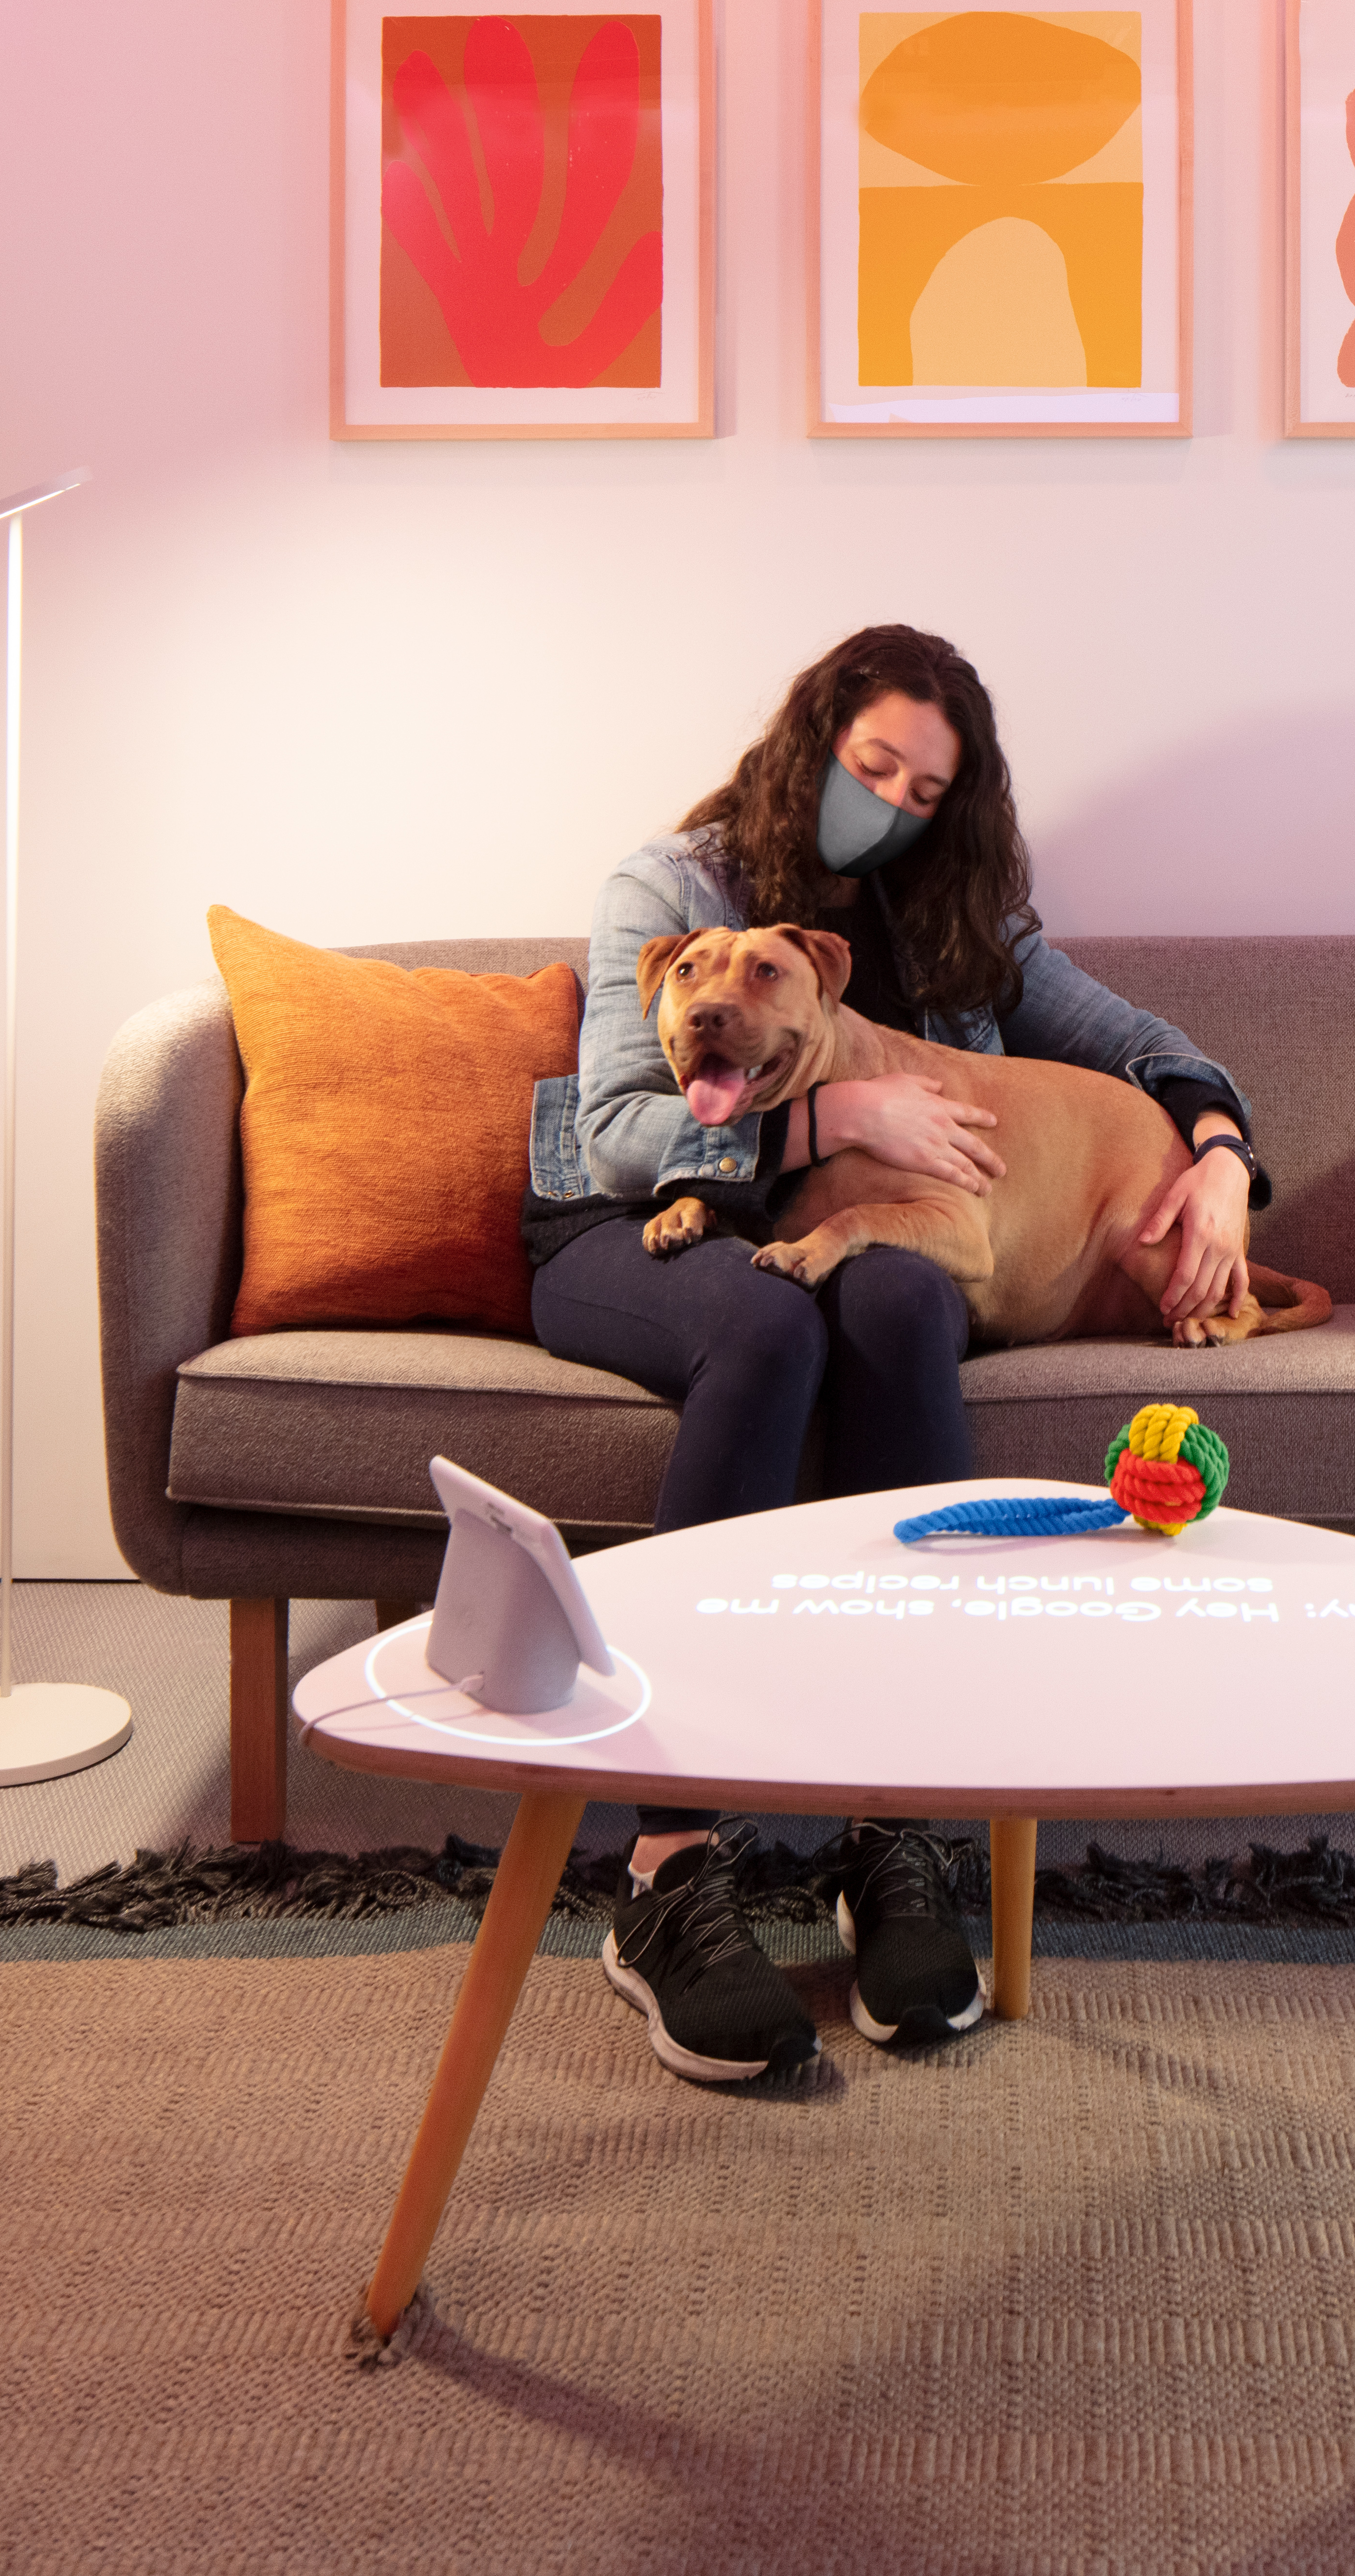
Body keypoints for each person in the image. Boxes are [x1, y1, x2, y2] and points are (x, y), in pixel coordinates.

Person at [524, 623, 1273, 2084]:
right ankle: (667, 1865)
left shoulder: (951, 921)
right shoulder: (673, 893)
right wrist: (834, 1124)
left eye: (929, 792)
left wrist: (1226, 1154)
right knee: (761, 1309)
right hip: (635, 1228)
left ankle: (901, 1831)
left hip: (867, 1235)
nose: (894, 806)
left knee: (909, 1304)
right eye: (874, 767)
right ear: (812, 745)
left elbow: (1145, 1048)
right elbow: (616, 1139)